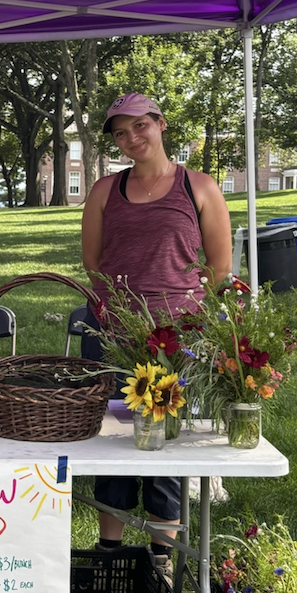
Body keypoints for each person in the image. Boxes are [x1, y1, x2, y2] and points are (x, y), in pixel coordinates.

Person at [80, 93, 232, 559]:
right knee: (113, 440)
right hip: (114, 335)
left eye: (140, 125)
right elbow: (93, 262)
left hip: (176, 341)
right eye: (120, 133)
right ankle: (110, 554)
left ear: (161, 124)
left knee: (166, 445)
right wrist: (121, 311)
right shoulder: (105, 190)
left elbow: (220, 268)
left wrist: (186, 318)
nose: (132, 138)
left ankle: (161, 560)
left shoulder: (199, 187)